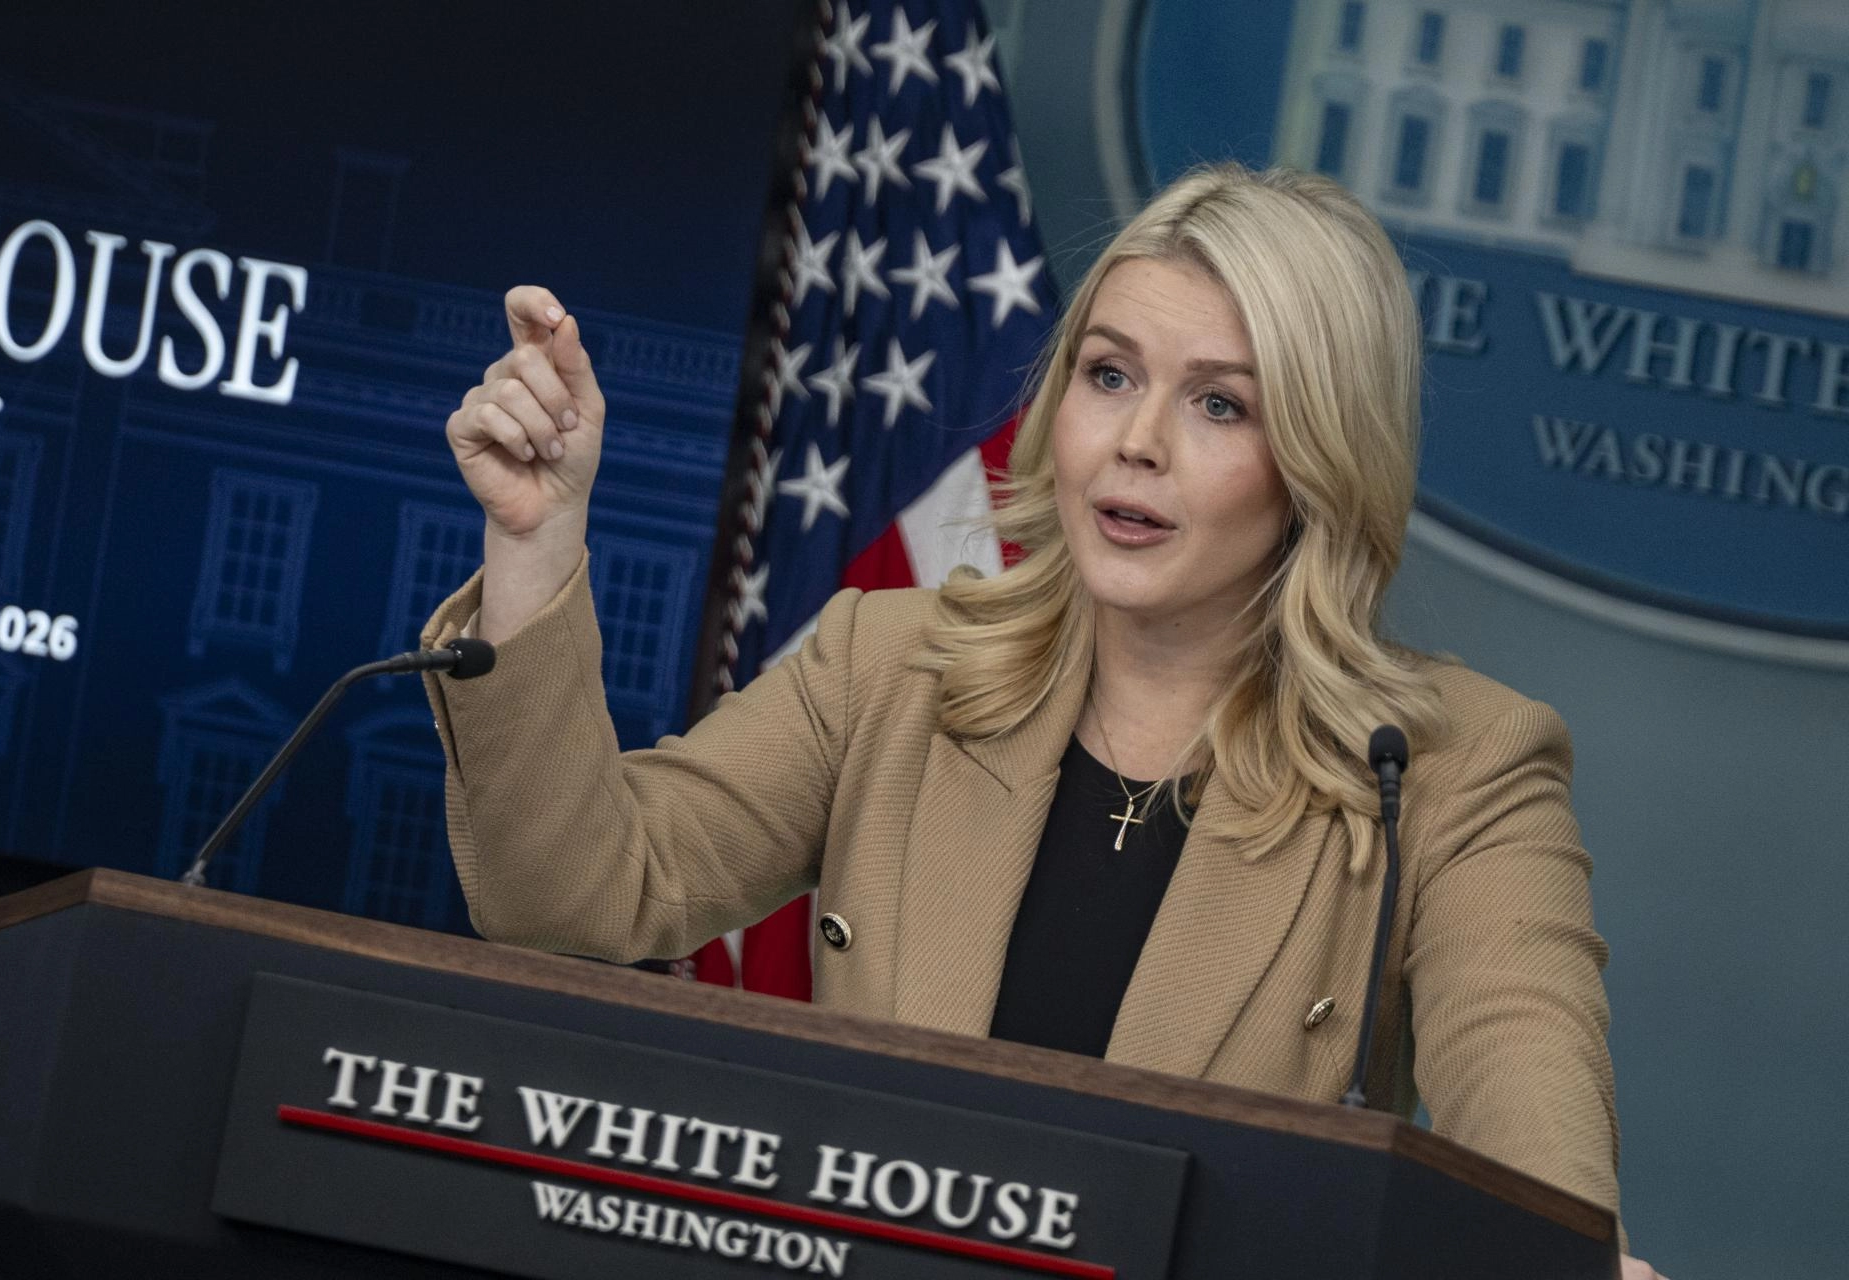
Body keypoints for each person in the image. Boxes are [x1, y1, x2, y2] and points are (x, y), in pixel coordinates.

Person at [424, 163, 1661, 1278]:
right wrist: (535, 543)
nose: (1137, 442)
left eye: (1220, 405)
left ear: (1321, 461)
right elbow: (571, 892)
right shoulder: (888, 665)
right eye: (1108, 374)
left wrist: (1578, 1256)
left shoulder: (1451, 770)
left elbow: (1533, 1158)